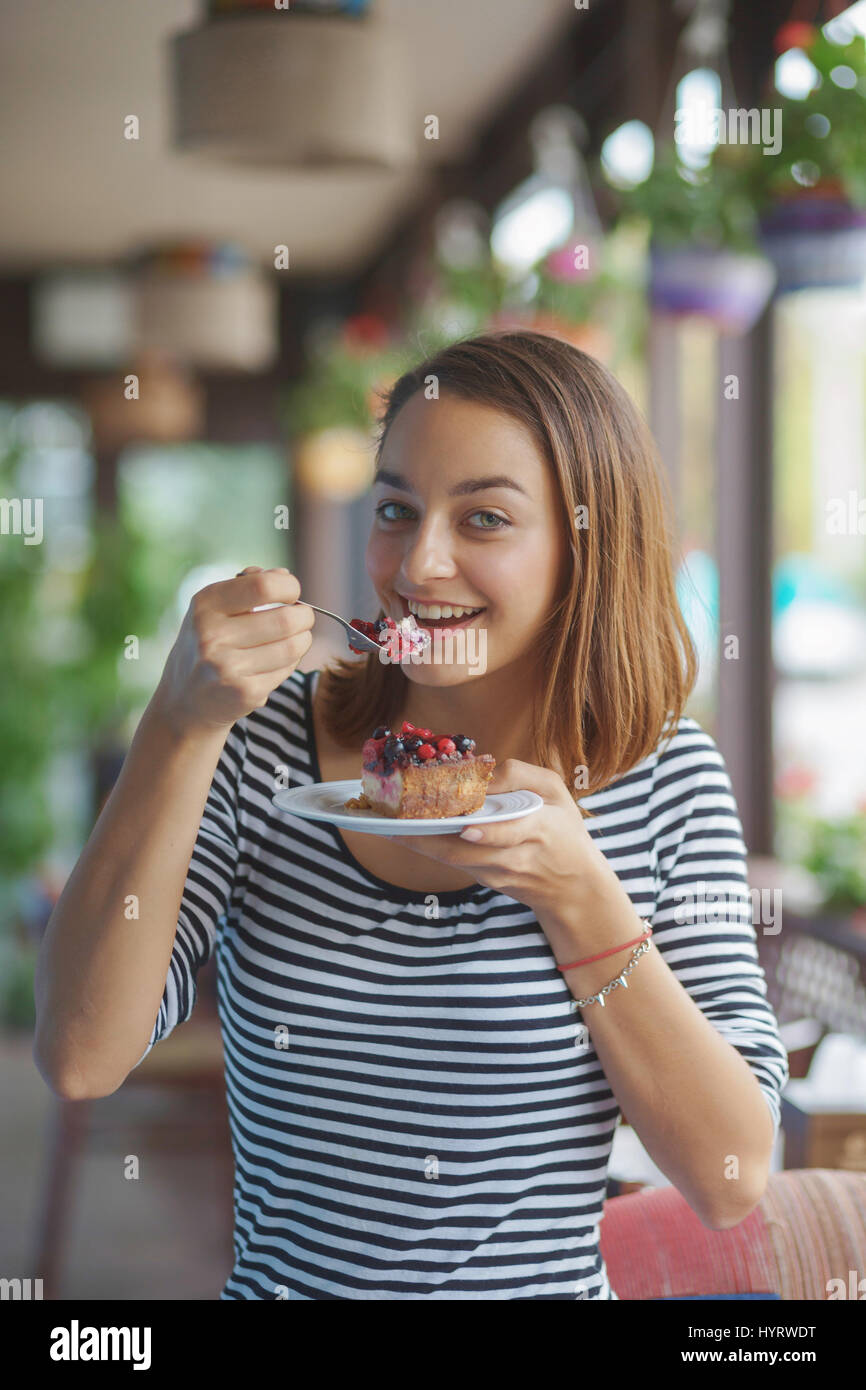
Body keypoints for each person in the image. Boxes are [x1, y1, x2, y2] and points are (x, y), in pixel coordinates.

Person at [34, 330, 789, 1300]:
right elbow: (82, 1055)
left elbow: (730, 1180)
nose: (418, 564)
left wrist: (582, 901)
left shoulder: (664, 776)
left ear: (583, 548)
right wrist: (176, 725)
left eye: (483, 519)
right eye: (396, 510)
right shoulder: (261, 746)